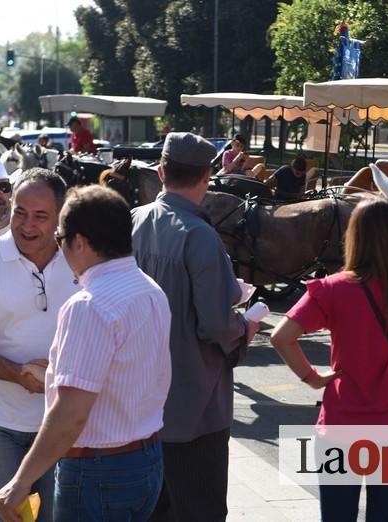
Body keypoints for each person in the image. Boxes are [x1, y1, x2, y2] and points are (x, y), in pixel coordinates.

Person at [0, 185, 172, 521]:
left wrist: (21, 481)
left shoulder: (89, 305)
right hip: (146, 460)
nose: (59, 248)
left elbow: (71, 414)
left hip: (98, 470)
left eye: (60, 237)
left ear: (79, 242)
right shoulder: (150, 289)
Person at [270, 197, 388, 522]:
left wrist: (312, 378)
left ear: (355, 237)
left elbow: (280, 337)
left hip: (340, 427)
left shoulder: (333, 290)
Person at [131, 132, 258, 522]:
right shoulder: (200, 236)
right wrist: (246, 325)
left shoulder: (134, 222)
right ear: (207, 176)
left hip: (139, 402)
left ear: (160, 171)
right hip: (195, 406)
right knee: (198, 509)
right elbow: (217, 326)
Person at [0, 168, 77, 522]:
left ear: (60, 217)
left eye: (40, 216)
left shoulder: (81, 260)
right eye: (20, 212)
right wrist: (19, 373)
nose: (27, 225)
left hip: (63, 423)